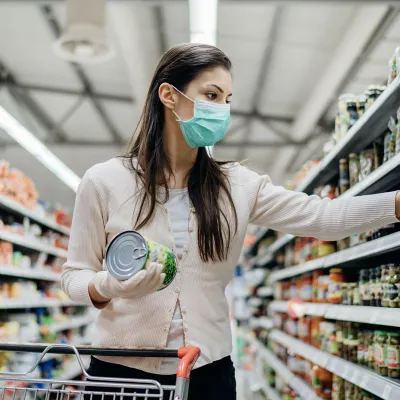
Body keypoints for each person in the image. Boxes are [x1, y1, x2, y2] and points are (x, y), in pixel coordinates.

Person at [62, 43, 400, 400]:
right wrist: (108, 286)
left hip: (208, 374)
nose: (222, 110)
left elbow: (322, 217)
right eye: (211, 94)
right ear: (168, 95)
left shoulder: (237, 185)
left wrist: (394, 203)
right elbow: (74, 276)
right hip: (119, 373)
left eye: (227, 99)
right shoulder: (104, 181)